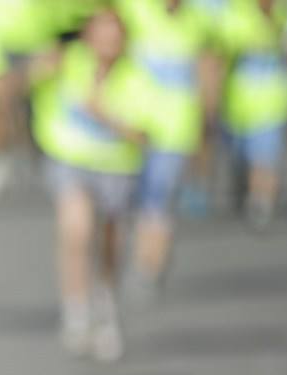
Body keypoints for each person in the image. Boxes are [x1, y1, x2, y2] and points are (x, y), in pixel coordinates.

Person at [31, 5, 154, 362]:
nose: (107, 39)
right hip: (70, 161)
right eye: (100, 30)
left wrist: (106, 116)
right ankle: (76, 310)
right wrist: (38, 68)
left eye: (114, 31)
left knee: (109, 241)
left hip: (116, 168)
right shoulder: (70, 63)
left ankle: (105, 296)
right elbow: (26, 82)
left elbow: (144, 134)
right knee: (76, 229)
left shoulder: (137, 76)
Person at [119, 0, 209, 299]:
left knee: (157, 199)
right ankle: (135, 258)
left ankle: (148, 268)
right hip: (131, 126)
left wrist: (205, 126)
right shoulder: (134, 9)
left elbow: (207, 74)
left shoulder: (198, 21)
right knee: (132, 200)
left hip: (175, 131)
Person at [217, 0, 287, 228]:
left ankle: (261, 202)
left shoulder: (281, 8)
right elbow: (223, 43)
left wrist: (269, 14)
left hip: (272, 100)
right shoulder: (234, 9)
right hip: (237, 101)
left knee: (266, 156)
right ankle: (243, 186)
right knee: (240, 156)